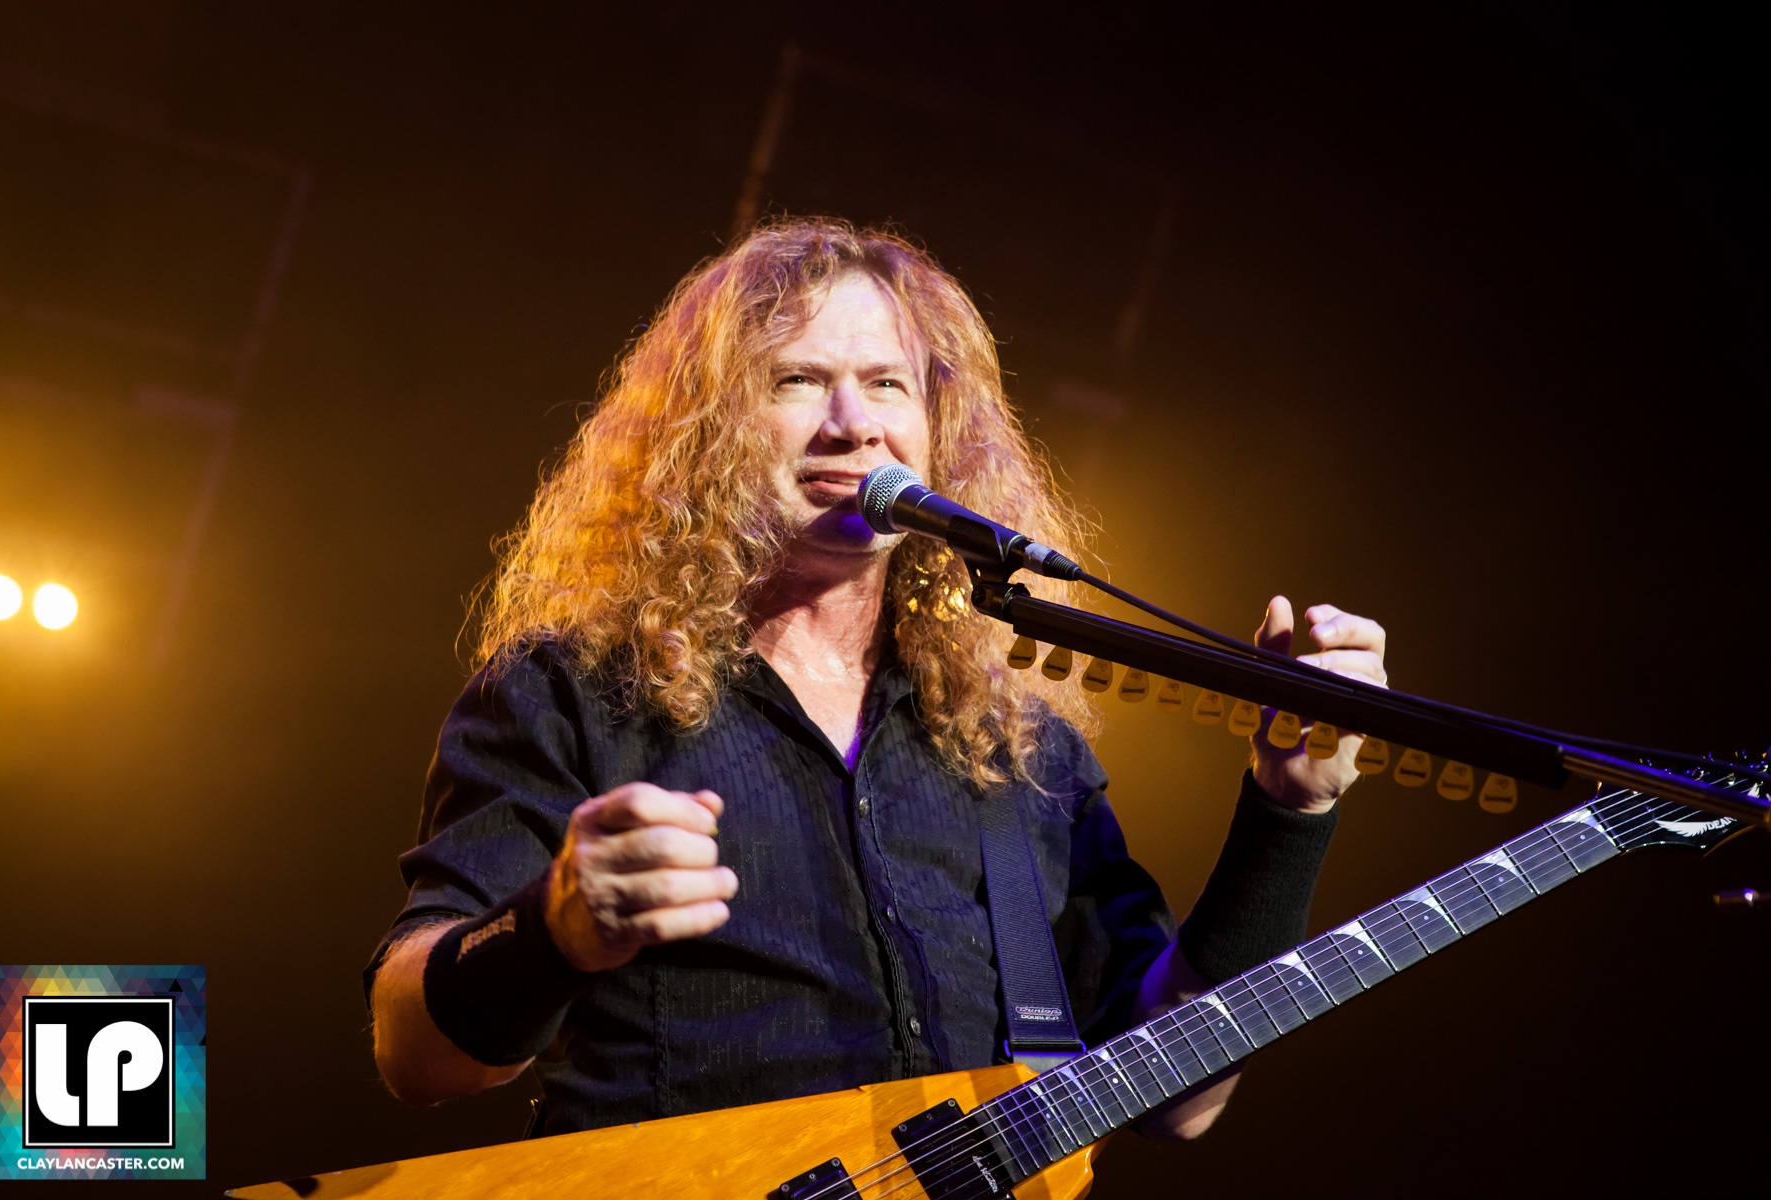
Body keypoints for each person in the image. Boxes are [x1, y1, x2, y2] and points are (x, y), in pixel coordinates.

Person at [365, 218, 1389, 1146]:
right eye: (797, 380)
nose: (854, 423)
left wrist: (1287, 812)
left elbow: (1181, 1098)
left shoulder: (1015, 746)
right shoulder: (573, 692)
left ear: (938, 431)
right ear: (705, 432)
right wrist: (550, 931)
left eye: (888, 384)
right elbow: (412, 1052)